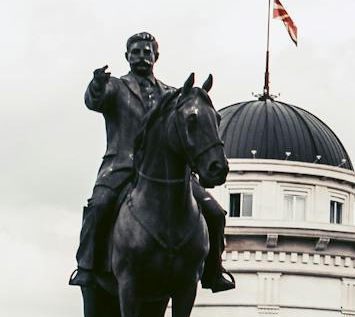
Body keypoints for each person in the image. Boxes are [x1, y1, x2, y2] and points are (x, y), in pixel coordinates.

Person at [71, 32, 233, 293]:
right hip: (122, 166)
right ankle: (87, 267)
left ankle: (214, 271)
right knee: (99, 206)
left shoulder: (172, 94)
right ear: (127, 57)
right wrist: (97, 85)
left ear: (155, 56)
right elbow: (95, 100)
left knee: (214, 214)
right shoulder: (115, 87)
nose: (141, 57)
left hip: (169, 172)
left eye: (147, 52)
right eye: (136, 52)